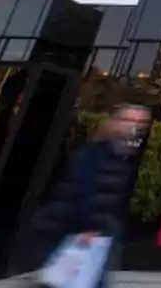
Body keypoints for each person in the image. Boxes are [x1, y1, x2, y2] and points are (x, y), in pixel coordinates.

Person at [32, 104, 152, 287]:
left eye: (142, 122)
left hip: (99, 227)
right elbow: (83, 188)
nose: (136, 126)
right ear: (114, 122)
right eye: (129, 120)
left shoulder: (123, 152)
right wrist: (88, 226)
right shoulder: (97, 152)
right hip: (75, 227)